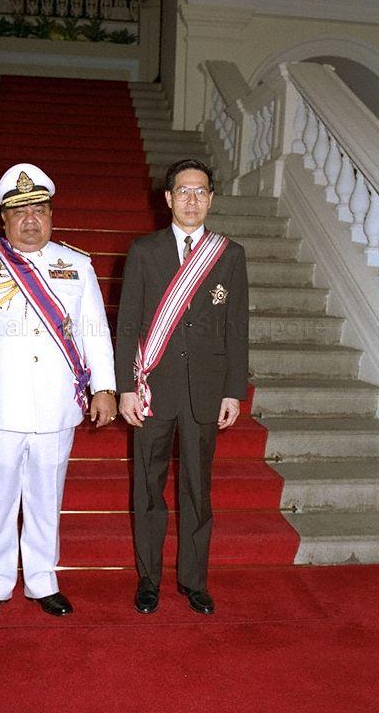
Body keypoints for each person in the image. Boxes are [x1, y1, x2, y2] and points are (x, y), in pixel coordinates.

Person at [0, 163, 117, 621]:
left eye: (39, 209)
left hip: (56, 401)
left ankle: (42, 580)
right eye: (19, 212)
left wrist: (105, 387)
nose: (30, 219)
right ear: (4, 220)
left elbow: (96, 333)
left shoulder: (76, 264)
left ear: (51, 215)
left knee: (45, 495)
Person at [115, 158, 248, 615]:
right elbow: (128, 322)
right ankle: (148, 579)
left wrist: (234, 389)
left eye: (201, 191)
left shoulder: (229, 255)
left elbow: (236, 328)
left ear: (211, 198)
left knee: (197, 488)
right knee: (147, 488)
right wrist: (124, 388)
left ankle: (194, 580)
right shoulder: (144, 251)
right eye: (183, 191)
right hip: (152, 387)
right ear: (168, 198)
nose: (192, 199)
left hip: (205, 393)